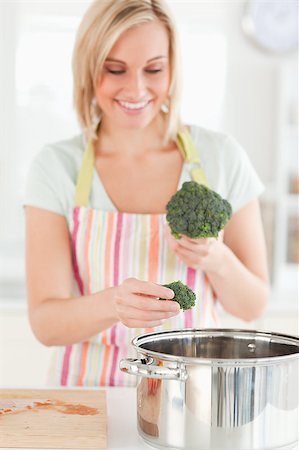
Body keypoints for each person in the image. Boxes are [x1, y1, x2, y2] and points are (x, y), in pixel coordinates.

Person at [24, 0, 269, 387]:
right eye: (115, 69)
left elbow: (253, 304)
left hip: (195, 401)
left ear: (173, 70)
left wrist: (216, 258)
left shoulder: (221, 157)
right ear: (89, 69)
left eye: (154, 69)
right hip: (91, 400)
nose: (136, 88)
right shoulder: (56, 166)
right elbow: (45, 324)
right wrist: (113, 304)